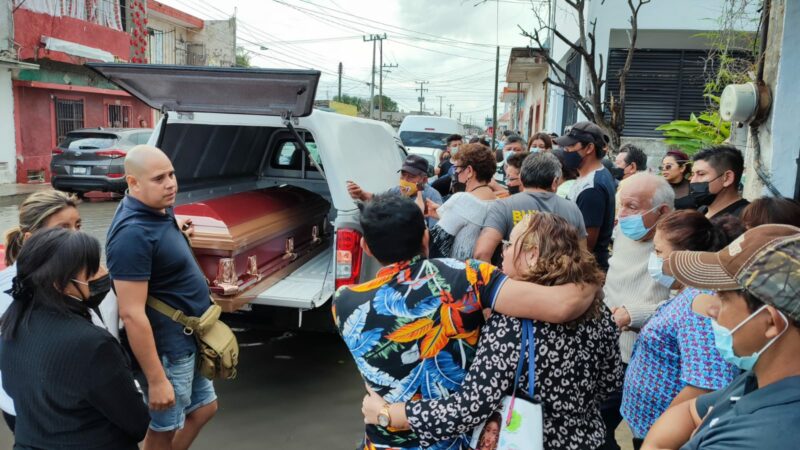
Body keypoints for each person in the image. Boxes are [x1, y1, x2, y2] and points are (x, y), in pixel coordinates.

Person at [333, 195, 599, 449]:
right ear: (426, 235)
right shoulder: (467, 276)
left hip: (384, 439)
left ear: (365, 247)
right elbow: (560, 305)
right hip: (458, 438)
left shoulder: (343, 303)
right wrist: (590, 281)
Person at [643, 224, 800, 450]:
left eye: (723, 298)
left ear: (770, 322)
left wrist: (700, 434)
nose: (711, 309)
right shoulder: (760, 378)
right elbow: (687, 411)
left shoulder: (761, 439)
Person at [107, 145, 218, 450]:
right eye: (159, 178)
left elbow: (161, 230)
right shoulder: (132, 235)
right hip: (169, 350)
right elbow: (131, 313)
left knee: (205, 408)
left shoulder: (157, 209)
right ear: (133, 183)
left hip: (188, 340)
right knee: (163, 429)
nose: (171, 183)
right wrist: (156, 380)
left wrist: (176, 229)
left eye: (172, 174)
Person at [0, 228, 149, 449]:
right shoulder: (93, 344)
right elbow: (137, 423)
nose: (101, 273)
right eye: (90, 270)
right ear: (59, 283)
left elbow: (14, 392)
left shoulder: (11, 325)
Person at [0, 190, 119, 432]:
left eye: (78, 225)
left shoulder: (90, 277)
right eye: (63, 228)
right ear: (31, 238)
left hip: (80, 401)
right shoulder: (7, 288)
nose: (76, 236)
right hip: (33, 408)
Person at [620, 210, 741, 449]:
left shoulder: (701, 301)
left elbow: (704, 384)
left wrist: (661, 436)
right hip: (653, 428)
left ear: (684, 257)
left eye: (658, 252)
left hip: (665, 436)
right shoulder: (689, 291)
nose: (653, 260)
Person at [600, 172, 674, 450]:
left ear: (662, 211)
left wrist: (634, 314)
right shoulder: (623, 233)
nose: (622, 215)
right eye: (621, 205)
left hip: (645, 360)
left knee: (641, 435)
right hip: (609, 350)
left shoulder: (681, 245)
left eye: (632, 206)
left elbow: (688, 305)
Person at [474, 152, 587, 263]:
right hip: (560, 280)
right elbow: (582, 257)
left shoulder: (503, 206)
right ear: (555, 182)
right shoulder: (573, 209)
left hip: (512, 279)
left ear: (521, 178)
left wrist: (499, 281)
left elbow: (481, 254)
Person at [555, 122, 616, 270]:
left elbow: (586, 245)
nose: (565, 150)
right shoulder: (588, 177)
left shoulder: (592, 188)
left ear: (589, 148)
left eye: (571, 146)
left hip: (584, 268)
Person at [426, 144, 498, 259]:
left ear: (469, 171)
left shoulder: (462, 199)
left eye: (457, 168)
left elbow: (436, 242)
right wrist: (443, 214)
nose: (455, 172)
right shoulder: (496, 202)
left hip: (460, 271)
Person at [348, 154, 443, 227]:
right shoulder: (396, 191)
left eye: (411, 177)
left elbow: (436, 232)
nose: (405, 181)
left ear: (424, 180)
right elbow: (377, 200)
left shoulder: (432, 196)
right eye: (403, 175)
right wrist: (360, 193)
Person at [690, 145, 749, 219]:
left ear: (727, 178)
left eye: (701, 174)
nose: (692, 181)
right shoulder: (702, 210)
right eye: (693, 174)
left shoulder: (746, 218)